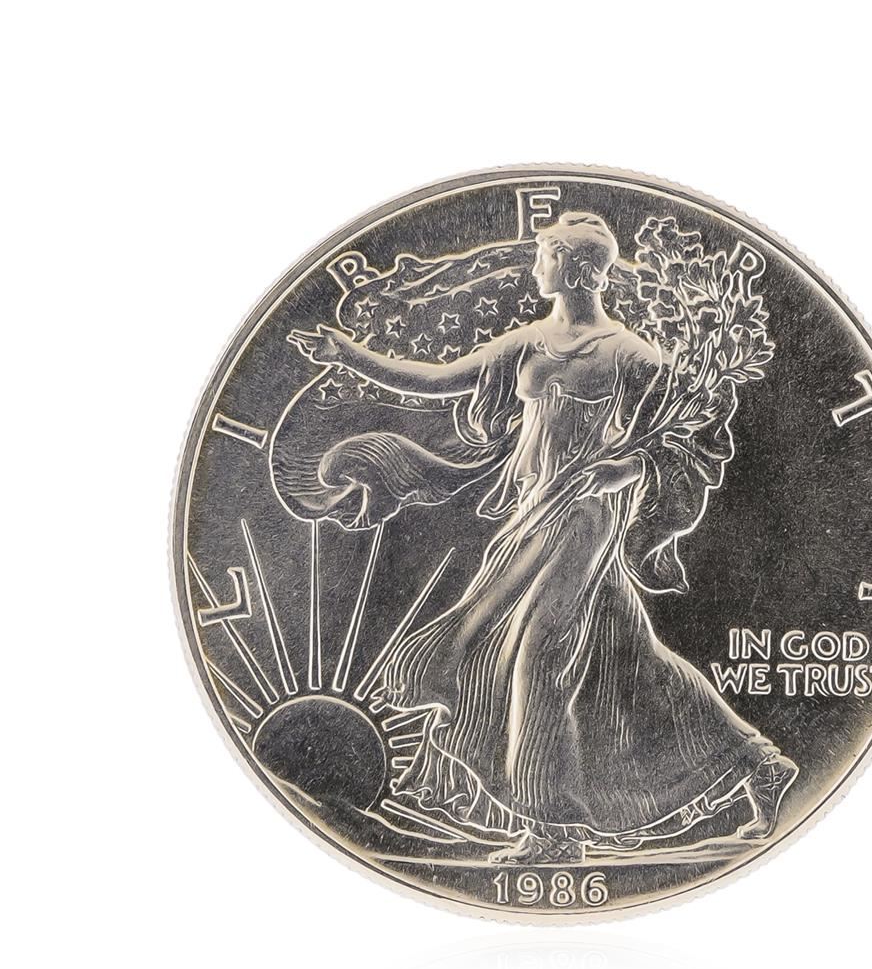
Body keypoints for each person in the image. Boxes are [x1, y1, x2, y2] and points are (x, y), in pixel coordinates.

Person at [290, 212, 797, 862]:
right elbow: (435, 381)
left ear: (575, 268)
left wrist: (628, 467)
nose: (535, 268)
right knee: (625, 656)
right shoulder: (528, 342)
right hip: (533, 514)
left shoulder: (627, 354)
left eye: (545, 256)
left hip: (586, 518)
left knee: (538, 655)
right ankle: (760, 765)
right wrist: (348, 354)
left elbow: (697, 426)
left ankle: (553, 831)